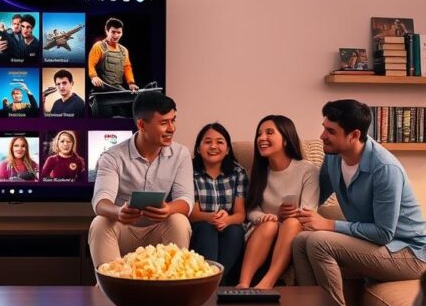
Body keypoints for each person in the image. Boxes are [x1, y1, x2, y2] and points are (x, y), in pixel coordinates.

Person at [292, 99, 426, 306]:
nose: (322, 136)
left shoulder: (384, 168)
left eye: (331, 131)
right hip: (376, 245)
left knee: (319, 241)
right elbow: (315, 197)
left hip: (407, 254)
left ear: (354, 135)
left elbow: (384, 233)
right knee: (301, 241)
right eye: (324, 129)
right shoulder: (334, 157)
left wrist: (329, 225)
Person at [88, 92, 193, 268]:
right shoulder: (112, 156)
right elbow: (100, 201)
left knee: (179, 220)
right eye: (164, 123)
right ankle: (111, 286)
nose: (172, 128)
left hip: (158, 230)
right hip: (123, 229)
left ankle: (171, 286)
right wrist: (118, 212)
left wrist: (169, 208)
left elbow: (186, 200)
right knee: (100, 222)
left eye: (173, 120)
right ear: (142, 125)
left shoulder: (181, 154)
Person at [238, 115, 319, 289]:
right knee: (269, 225)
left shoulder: (307, 170)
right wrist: (272, 217)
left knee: (290, 222)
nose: (262, 138)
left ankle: (267, 283)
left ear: (285, 139)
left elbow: (308, 211)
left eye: (269, 133)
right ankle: (243, 284)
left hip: (293, 232)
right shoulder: (259, 171)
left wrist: (283, 217)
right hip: (263, 233)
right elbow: (252, 209)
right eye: (259, 134)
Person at [189, 122, 248, 285]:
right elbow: (193, 215)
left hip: (229, 226)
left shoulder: (238, 172)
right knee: (207, 228)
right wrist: (214, 217)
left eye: (220, 142)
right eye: (207, 142)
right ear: (198, 148)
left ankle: (214, 284)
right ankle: (211, 283)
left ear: (228, 149)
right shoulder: (189, 172)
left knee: (235, 231)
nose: (213, 146)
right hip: (201, 228)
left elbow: (240, 214)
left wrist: (226, 219)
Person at [88, 18, 139, 91]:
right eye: (113, 32)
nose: (116, 35)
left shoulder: (124, 50)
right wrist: (93, 76)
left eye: (119, 32)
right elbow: (91, 64)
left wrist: (131, 83)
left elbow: (127, 67)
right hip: (101, 87)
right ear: (107, 31)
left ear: (122, 33)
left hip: (116, 88)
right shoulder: (98, 46)